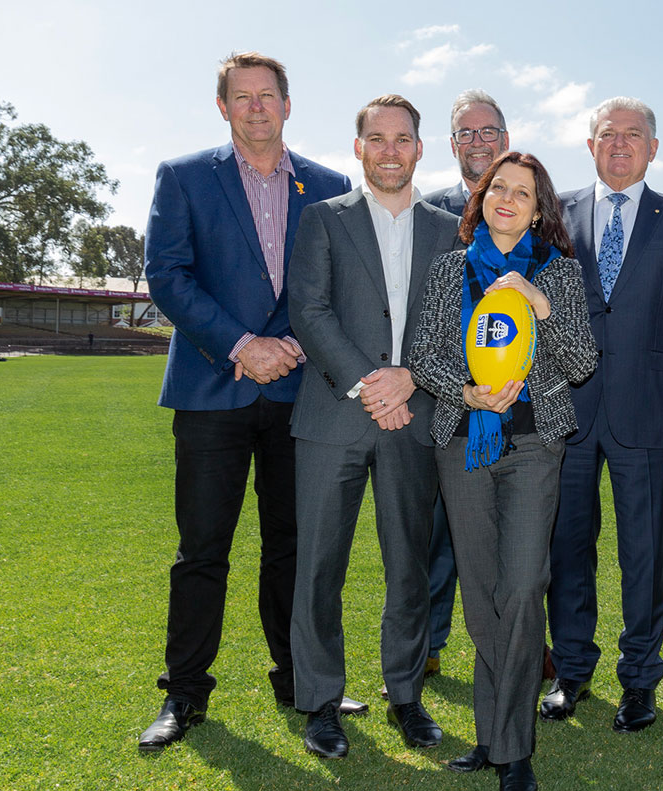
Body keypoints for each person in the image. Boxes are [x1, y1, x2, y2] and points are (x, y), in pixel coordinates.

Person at [139, 51, 353, 751]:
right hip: (211, 390)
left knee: (294, 546)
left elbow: (332, 285)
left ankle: (301, 680)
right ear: (224, 106)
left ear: (288, 107)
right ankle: (184, 693)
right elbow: (167, 276)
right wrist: (241, 345)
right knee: (202, 548)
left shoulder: (328, 186)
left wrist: (284, 343)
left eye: (269, 96)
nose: (257, 106)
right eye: (243, 96)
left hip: (300, 394)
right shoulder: (183, 177)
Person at [409, 151, 597, 791]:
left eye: (523, 192)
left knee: (522, 586)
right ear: (482, 199)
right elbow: (424, 357)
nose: (508, 200)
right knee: (481, 593)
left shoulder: (561, 275)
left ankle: (512, 747)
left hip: (533, 446)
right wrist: (463, 393)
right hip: (461, 442)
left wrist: (540, 305)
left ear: (540, 208)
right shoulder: (449, 272)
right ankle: (496, 739)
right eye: (498, 189)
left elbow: (579, 364)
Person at [287, 95, 460, 759]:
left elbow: (454, 325)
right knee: (319, 567)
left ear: (420, 148)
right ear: (358, 147)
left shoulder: (449, 230)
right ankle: (321, 702)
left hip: (411, 419)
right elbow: (310, 310)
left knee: (409, 568)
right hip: (334, 417)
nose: (390, 149)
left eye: (403, 139)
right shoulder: (323, 220)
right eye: (377, 138)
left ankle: (407, 695)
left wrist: (409, 379)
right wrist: (370, 383)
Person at [542, 97, 663, 734]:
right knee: (568, 548)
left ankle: (640, 680)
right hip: (570, 411)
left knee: (645, 552)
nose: (620, 145)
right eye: (608, 134)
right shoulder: (554, 215)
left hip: (651, 412)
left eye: (633, 135)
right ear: (590, 144)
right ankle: (572, 671)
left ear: (653, 148)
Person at [418, 88, 511, 679]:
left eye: (488, 131)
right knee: (438, 536)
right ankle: (426, 646)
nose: (478, 142)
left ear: (506, 137)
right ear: (452, 145)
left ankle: (519, 644)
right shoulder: (431, 214)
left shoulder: (534, 206)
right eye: (466, 133)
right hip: (447, 399)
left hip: (521, 401)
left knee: (521, 535)